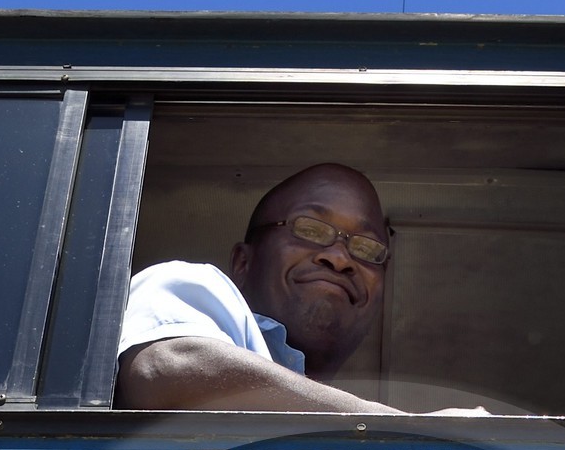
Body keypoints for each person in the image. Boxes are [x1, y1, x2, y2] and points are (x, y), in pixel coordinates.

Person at [115, 162, 398, 414]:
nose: (339, 257)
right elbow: (166, 370)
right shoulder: (195, 285)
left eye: (366, 247)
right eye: (310, 230)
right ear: (243, 262)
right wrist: (386, 424)